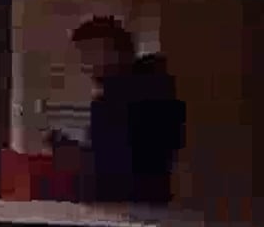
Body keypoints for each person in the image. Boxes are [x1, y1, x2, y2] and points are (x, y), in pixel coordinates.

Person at [70, 16, 185, 206]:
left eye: (91, 53)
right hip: (137, 205)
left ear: (119, 52)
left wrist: (80, 158)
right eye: (83, 56)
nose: (86, 64)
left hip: (134, 207)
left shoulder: (137, 92)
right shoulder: (117, 94)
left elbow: (117, 166)